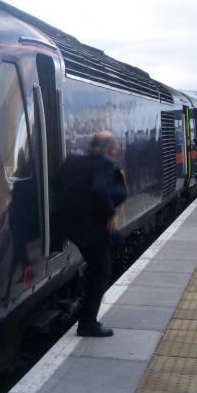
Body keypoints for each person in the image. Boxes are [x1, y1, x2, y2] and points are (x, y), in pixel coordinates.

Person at [55, 131, 127, 337]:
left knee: (117, 241)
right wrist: (110, 214)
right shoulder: (104, 164)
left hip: (70, 226)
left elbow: (56, 183)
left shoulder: (72, 161)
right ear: (111, 149)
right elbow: (99, 191)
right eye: (115, 147)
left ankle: (92, 274)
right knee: (101, 271)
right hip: (92, 228)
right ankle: (87, 324)